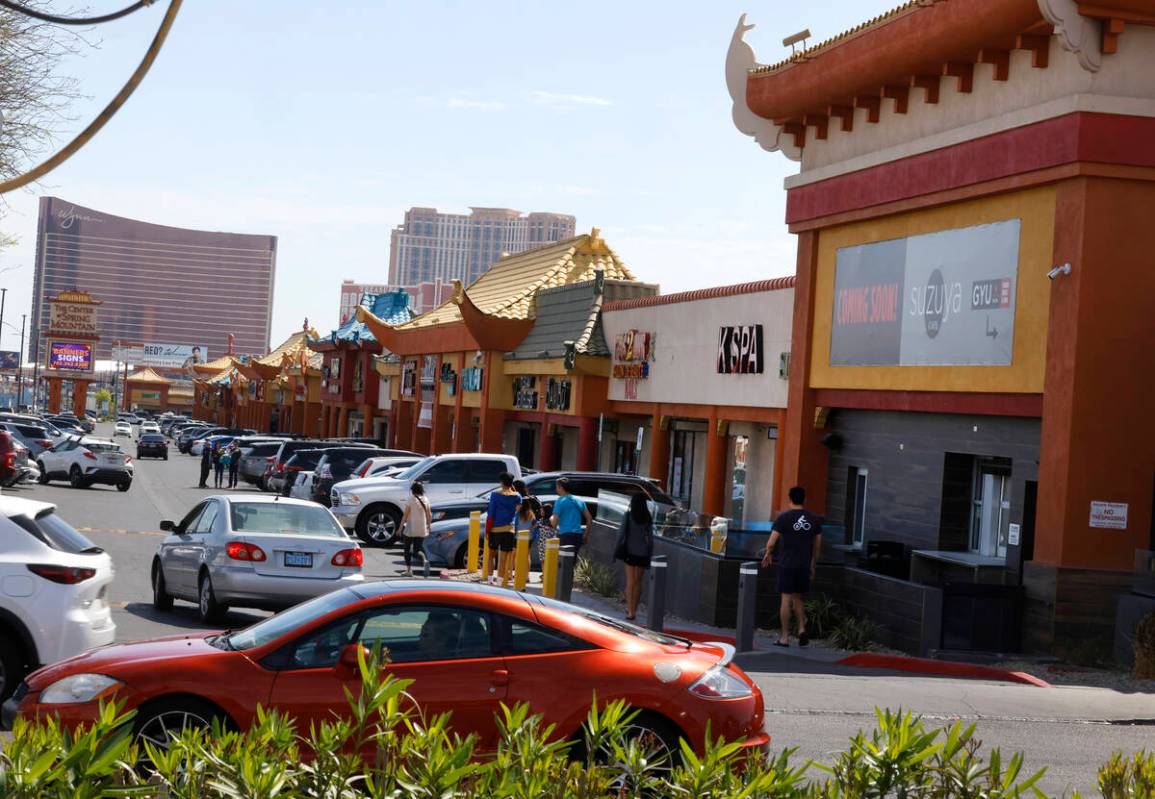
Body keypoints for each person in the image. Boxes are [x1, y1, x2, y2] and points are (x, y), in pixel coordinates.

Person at [761, 486, 823, 647]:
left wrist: (768, 553)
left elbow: (771, 542)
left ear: (790, 499)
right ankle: (802, 629)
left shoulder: (784, 518)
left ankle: (785, 637)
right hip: (804, 564)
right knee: (798, 598)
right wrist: (813, 565)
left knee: (786, 599)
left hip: (787, 564)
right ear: (804, 499)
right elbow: (817, 547)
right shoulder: (814, 519)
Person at [614, 493, 654, 621]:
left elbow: (621, 534)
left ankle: (630, 611)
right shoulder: (647, 517)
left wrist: (615, 551)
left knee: (630, 581)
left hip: (630, 551)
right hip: (643, 553)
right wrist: (650, 553)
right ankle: (634, 610)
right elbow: (651, 539)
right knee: (638, 582)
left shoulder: (628, 515)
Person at [486, 472, 521, 586]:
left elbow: (491, 514)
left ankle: (490, 580)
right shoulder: (517, 496)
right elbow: (517, 512)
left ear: (501, 482)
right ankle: (500, 583)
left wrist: (487, 530)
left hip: (495, 529)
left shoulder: (495, 495)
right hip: (509, 530)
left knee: (491, 555)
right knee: (504, 559)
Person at [550, 477, 592, 557]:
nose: (556, 489)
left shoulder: (560, 501)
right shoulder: (579, 500)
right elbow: (589, 519)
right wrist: (585, 536)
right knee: (572, 562)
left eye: (556, 487)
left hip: (565, 535)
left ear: (560, 487)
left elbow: (554, 523)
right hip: (578, 535)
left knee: (564, 563)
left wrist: (551, 520)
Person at [399, 481, 432, 577]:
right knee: (417, 550)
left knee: (407, 548)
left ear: (412, 490)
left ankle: (409, 570)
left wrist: (400, 528)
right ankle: (425, 560)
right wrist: (429, 526)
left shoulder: (411, 499)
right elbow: (429, 514)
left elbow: (405, 516)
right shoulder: (426, 499)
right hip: (422, 528)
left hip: (411, 528)